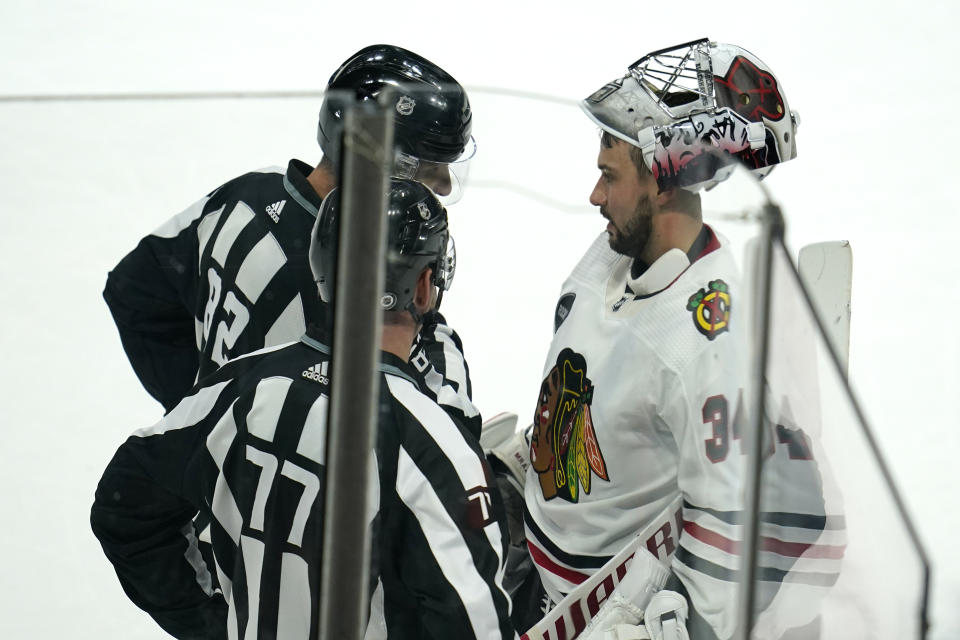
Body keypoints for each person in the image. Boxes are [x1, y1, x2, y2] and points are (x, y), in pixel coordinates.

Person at [487, 39, 839, 639]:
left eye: (609, 176)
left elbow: (733, 532)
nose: (595, 197)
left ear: (665, 182)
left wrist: (660, 626)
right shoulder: (613, 254)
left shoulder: (707, 345)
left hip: (597, 615)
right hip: (533, 584)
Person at [90, 179, 514, 640]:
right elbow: (477, 627)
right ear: (426, 286)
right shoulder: (432, 445)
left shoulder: (239, 388)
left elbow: (124, 508)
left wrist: (212, 626)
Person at [102, 44, 481, 437]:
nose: (444, 184)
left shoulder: (244, 194)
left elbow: (133, 291)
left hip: (222, 476)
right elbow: (434, 437)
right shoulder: (352, 283)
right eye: (429, 166)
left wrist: (197, 416)